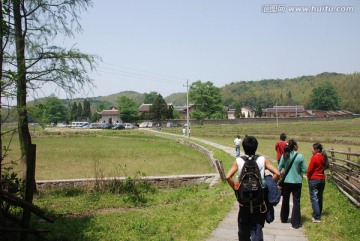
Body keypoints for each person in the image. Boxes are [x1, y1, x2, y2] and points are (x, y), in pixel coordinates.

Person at [226, 135, 280, 241]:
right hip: (259, 202)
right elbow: (277, 173)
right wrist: (268, 184)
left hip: (244, 202)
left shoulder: (238, 161)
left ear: (243, 147)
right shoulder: (263, 159)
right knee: (257, 229)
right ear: (256, 147)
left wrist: (236, 188)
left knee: (243, 229)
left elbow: (228, 177)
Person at [278, 139, 307, 229]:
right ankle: (296, 223)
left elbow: (279, 168)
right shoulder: (300, 156)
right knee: (296, 202)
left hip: (286, 182)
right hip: (297, 182)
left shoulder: (284, 156)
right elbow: (305, 170)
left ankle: (284, 218)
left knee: (285, 200)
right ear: (294, 146)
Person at [307, 143, 327, 223]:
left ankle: (317, 217)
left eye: (313, 149)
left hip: (314, 179)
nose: (312, 150)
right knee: (320, 196)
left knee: (314, 197)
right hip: (322, 179)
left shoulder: (314, 157)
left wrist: (308, 177)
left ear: (317, 150)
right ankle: (319, 212)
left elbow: (310, 170)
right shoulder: (323, 157)